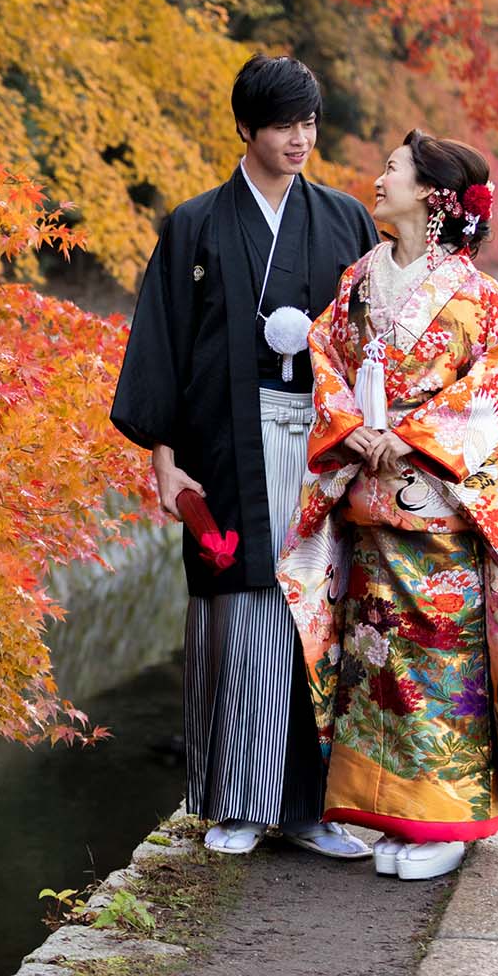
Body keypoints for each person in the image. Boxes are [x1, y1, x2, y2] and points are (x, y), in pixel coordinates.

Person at [112, 54, 378, 858]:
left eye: (309, 124)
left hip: (324, 447)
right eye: (283, 125)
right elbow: (161, 348)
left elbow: (378, 343)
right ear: (245, 128)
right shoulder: (193, 226)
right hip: (226, 444)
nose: (300, 139)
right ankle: (237, 802)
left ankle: (316, 808)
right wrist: (164, 459)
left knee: (321, 613)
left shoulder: (342, 220)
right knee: (238, 611)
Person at [276, 129, 498, 882]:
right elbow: (326, 358)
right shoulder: (359, 278)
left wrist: (412, 437)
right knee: (374, 663)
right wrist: (356, 431)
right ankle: (387, 811)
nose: (378, 178)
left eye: (393, 168)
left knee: (441, 664)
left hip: (440, 511)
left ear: (430, 192)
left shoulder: (482, 298)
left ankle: (445, 820)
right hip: (366, 497)